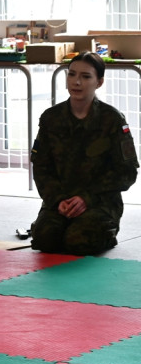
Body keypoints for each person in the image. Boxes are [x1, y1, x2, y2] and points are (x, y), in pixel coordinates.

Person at [28, 51, 139, 254]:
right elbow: (41, 166)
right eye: (71, 74)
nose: (76, 82)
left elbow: (127, 172)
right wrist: (58, 199)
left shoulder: (112, 120)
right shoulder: (51, 118)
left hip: (99, 202)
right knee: (45, 239)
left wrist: (86, 198)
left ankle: (107, 230)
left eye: (86, 76)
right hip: (61, 201)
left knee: (77, 241)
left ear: (99, 82)